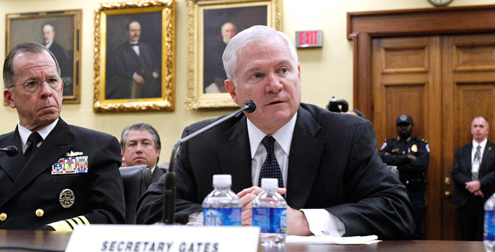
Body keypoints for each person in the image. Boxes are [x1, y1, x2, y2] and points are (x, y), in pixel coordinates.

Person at [136, 25, 415, 240]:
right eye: (257, 75)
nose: (275, 85)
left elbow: (397, 210)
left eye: (283, 70)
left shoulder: (346, 134)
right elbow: (150, 210)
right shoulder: (201, 140)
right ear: (233, 91)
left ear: (299, 75)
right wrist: (218, 217)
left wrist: (304, 222)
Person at [0, 42, 125, 231]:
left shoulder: (97, 147)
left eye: (52, 81)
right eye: (32, 83)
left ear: (61, 88)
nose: (46, 91)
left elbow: (110, 217)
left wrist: (48, 234)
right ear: (9, 98)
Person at [379, 114, 430, 239]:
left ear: (412, 127)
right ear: (397, 127)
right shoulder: (389, 143)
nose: (403, 128)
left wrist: (396, 162)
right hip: (395, 191)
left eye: (406, 125)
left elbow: (422, 164)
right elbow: (381, 160)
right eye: (400, 126)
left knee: (416, 231)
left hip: (415, 191)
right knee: (396, 231)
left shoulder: (421, 144)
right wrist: (407, 158)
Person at [451, 116, 495, 241]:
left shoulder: (494, 150)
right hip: (466, 200)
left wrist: (480, 183)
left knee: (488, 239)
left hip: (487, 199)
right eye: (475, 126)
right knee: (466, 238)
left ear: (487, 130)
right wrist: (473, 187)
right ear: (471, 129)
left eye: (481, 126)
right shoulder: (461, 151)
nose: (478, 129)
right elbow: (455, 172)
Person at [108, 20, 160, 99]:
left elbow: (156, 65)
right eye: (133, 30)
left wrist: (156, 73)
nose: (136, 33)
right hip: (132, 86)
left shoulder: (146, 47)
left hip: (151, 86)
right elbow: (119, 69)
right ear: (127, 33)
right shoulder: (120, 50)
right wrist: (133, 75)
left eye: (138, 30)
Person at [204, 21, 237, 94]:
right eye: (227, 31)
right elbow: (215, 70)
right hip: (219, 83)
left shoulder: (240, 48)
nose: (230, 34)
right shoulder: (216, 49)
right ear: (222, 33)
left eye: (232, 31)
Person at [41, 24, 73, 96]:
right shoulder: (39, 49)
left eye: (48, 33)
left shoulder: (59, 50)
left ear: (53, 34)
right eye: (44, 33)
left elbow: (64, 72)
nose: (45, 36)